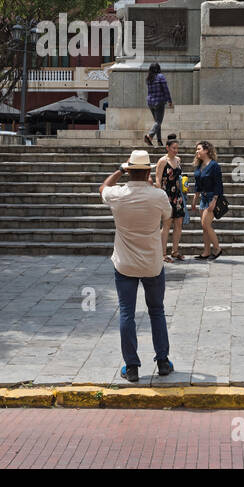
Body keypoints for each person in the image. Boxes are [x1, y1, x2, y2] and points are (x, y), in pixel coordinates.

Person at [100, 150, 174, 383]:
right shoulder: (158, 196)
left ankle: (131, 366)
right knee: (157, 311)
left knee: (126, 313)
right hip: (152, 262)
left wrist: (120, 170)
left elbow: (102, 188)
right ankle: (162, 360)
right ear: (148, 172)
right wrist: (150, 185)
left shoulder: (118, 195)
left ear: (130, 171)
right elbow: (168, 215)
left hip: (125, 264)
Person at [154, 135, 187, 262]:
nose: (175, 150)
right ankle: (163, 253)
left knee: (178, 223)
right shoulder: (162, 161)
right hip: (166, 195)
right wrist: (160, 194)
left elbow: (180, 176)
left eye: (177, 148)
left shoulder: (178, 160)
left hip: (178, 195)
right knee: (167, 224)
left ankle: (175, 251)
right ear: (167, 148)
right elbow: (157, 178)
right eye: (173, 148)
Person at [191, 140, 224, 259]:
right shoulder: (199, 166)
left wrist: (214, 200)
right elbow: (197, 185)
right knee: (204, 227)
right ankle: (206, 252)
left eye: (199, 149)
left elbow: (218, 184)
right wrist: (195, 199)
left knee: (205, 224)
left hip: (211, 197)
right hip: (203, 198)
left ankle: (218, 248)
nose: (197, 151)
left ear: (206, 150)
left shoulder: (214, 165)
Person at [143, 62, 174, 147]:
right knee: (158, 122)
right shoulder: (160, 76)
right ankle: (150, 135)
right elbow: (165, 89)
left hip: (150, 102)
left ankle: (159, 141)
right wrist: (170, 100)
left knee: (157, 122)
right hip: (159, 101)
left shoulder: (149, 78)